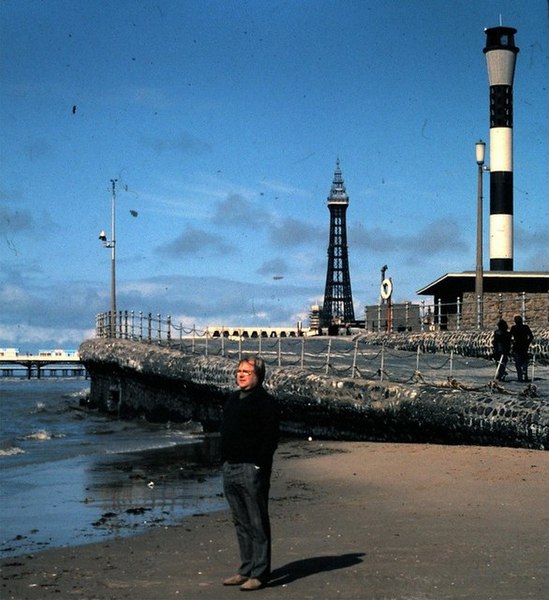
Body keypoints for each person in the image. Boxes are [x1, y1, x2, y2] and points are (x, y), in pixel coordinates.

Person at [220, 356, 280, 591]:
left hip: (251, 468)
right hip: (230, 467)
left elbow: (270, 439)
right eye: (238, 371)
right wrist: (223, 461)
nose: (241, 375)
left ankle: (260, 573)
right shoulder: (232, 399)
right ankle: (245, 569)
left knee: (257, 522)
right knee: (240, 521)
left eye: (246, 371)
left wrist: (258, 465)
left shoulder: (266, 403)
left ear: (258, 376)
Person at [510, 315, 534, 382]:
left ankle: (520, 376)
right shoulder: (525, 327)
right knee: (524, 361)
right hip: (524, 346)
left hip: (517, 346)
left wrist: (512, 342)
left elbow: (510, 337)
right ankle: (525, 374)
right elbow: (531, 336)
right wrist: (527, 342)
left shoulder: (514, 328)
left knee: (518, 362)